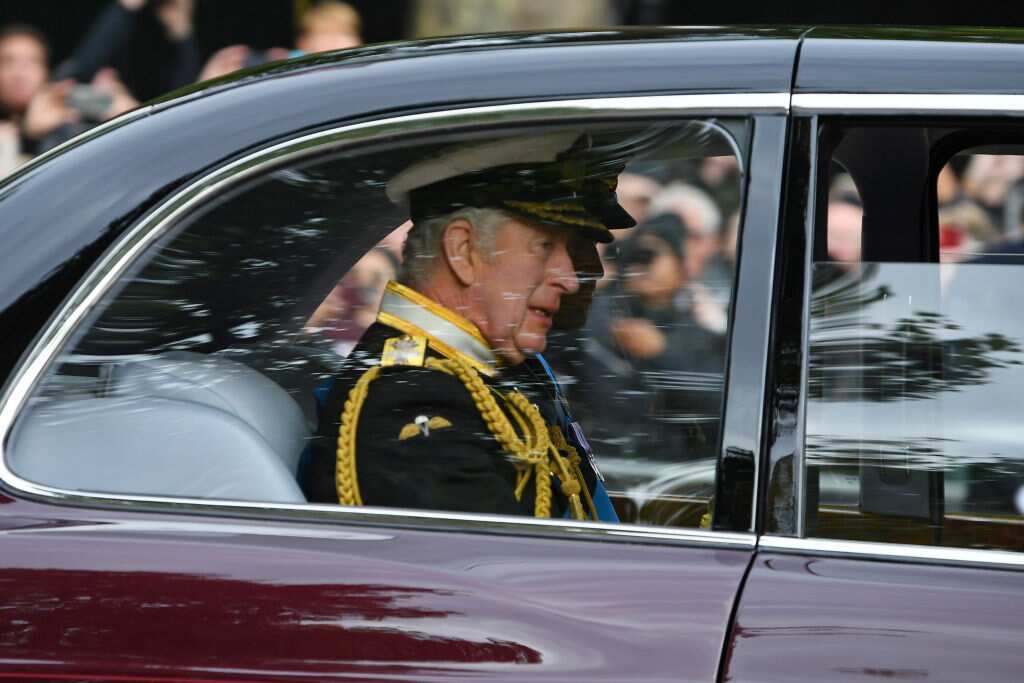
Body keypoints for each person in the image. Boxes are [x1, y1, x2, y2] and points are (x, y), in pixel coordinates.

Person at [303, 132, 632, 521]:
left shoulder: (484, 371)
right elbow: (498, 578)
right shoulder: (407, 405)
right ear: (464, 252)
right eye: (546, 245)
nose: (572, 277)